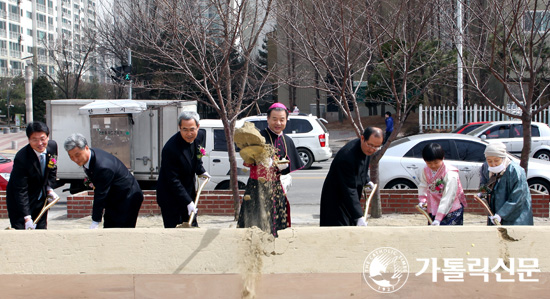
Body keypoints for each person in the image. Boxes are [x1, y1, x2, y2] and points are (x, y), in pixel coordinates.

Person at [238, 103, 303, 236]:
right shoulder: (258, 137)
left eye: (282, 119)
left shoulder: (287, 140)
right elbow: (247, 159)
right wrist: (261, 161)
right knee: (255, 224)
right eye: (274, 119)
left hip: (277, 187)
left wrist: (283, 169)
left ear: (286, 120)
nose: (278, 123)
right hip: (257, 187)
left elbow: (289, 166)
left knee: (277, 225)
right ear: (268, 119)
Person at [64, 133, 144, 228]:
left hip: (127, 197)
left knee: (121, 231)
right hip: (114, 198)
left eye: (77, 155)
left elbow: (100, 194)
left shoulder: (103, 167)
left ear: (86, 148)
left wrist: (95, 220)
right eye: (71, 156)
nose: (75, 159)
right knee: (109, 228)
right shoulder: (91, 156)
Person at [320, 127, 383, 226]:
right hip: (337, 200)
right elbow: (349, 189)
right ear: (362, 138)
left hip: (349, 199)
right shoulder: (347, 156)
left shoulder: (365, 149)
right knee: (339, 231)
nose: (372, 149)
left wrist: (367, 180)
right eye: (370, 145)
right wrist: (358, 216)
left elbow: (362, 168)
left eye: (376, 147)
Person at [156, 111, 210, 228]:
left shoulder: (199, 136)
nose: (189, 133)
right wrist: (188, 201)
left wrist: (201, 170)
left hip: (187, 189)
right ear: (179, 128)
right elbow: (173, 180)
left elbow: (196, 157)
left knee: (192, 224)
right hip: (170, 195)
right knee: (175, 228)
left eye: (192, 129)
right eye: (184, 129)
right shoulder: (170, 149)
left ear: (198, 127)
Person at [6, 121, 59, 230]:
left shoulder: (52, 147)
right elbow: (21, 190)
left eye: (43, 139)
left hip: (40, 199)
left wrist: (49, 188)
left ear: (48, 137)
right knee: (23, 232)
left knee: (41, 229)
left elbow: (52, 168)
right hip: (21, 202)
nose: (40, 143)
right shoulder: (22, 158)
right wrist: (27, 217)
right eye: (35, 140)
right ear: (29, 140)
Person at [483, 142, 533, 225]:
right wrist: (482, 191)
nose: (493, 164)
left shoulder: (515, 171)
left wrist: (501, 214)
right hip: (497, 213)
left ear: (503, 158)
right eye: (489, 161)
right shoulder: (490, 170)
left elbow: (517, 198)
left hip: (516, 217)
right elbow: (487, 185)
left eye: (496, 160)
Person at [417, 143, 467, 226]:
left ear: (442, 158)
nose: (433, 166)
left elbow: (448, 196)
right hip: (434, 208)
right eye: (429, 163)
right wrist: (423, 200)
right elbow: (423, 185)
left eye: (436, 163)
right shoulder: (425, 170)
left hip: (451, 209)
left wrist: (438, 218)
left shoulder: (450, 173)